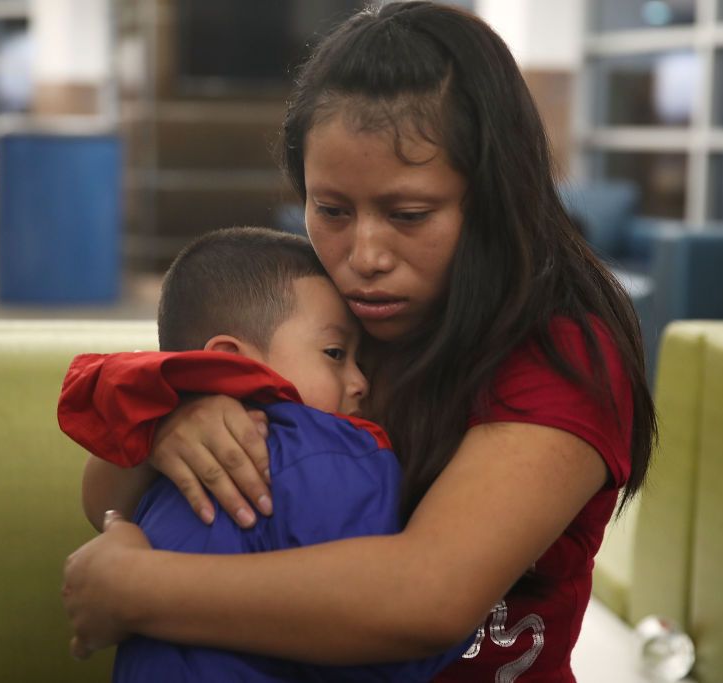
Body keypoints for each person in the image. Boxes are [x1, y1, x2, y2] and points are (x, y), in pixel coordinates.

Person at [61, 3, 656, 681]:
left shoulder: (563, 354)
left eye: (408, 214)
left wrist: (139, 590)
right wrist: (175, 425)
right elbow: (104, 499)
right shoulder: (325, 316)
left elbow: (428, 596)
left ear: (492, 198)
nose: (364, 255)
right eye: (332, 210)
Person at [59, 227, 473, 681]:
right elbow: (392, 644)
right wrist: (467, 611)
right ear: (232, 359)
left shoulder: (165, 446)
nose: (360, 383)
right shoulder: (335, 453)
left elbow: (105, 503)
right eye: (335, 353)